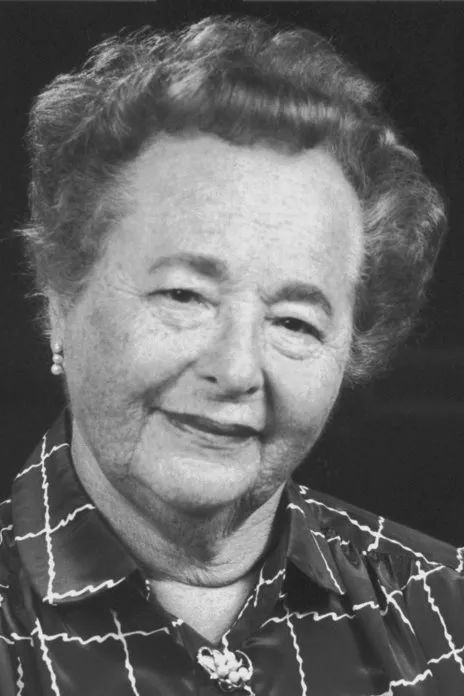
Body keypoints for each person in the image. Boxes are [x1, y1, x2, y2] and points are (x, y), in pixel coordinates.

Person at [0, 14, 461, 696]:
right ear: (60, 301)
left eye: (296, 323)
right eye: (184, 295)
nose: (237, 369)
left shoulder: (448, 612)